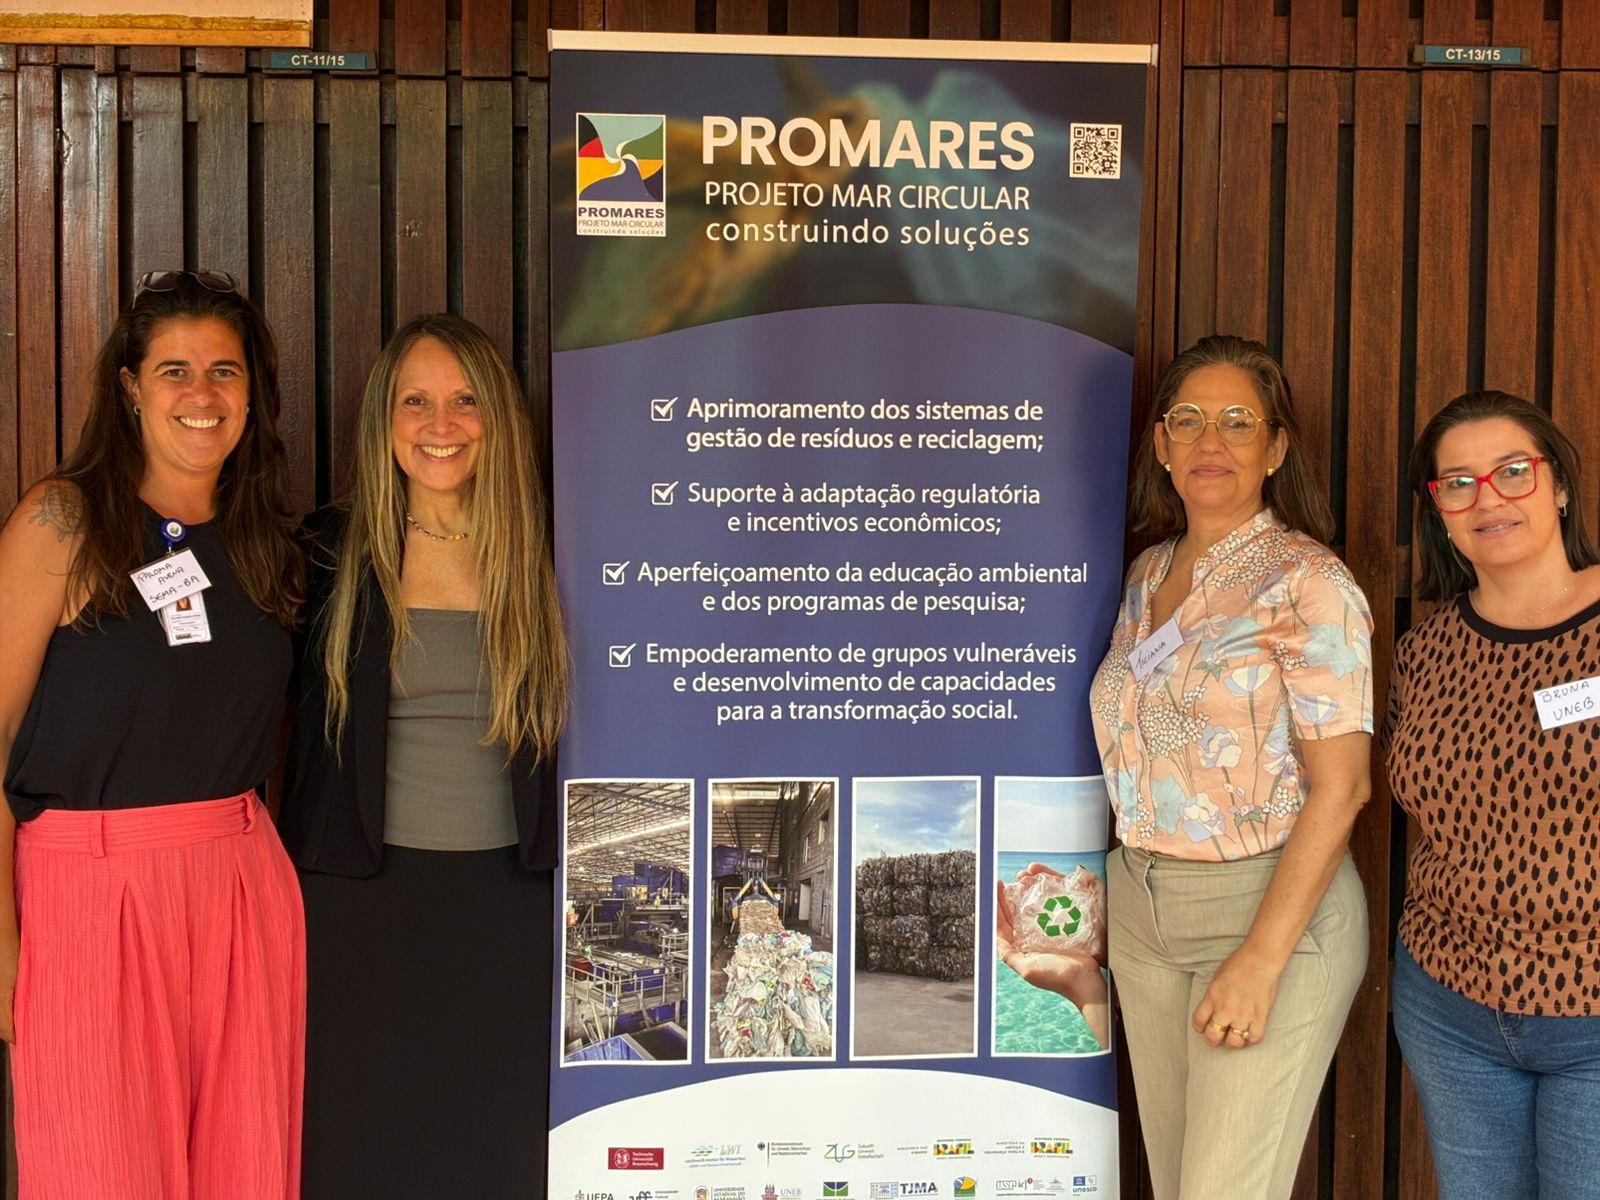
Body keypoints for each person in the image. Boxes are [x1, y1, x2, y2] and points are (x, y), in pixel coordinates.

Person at [0, 269, 306, 1197]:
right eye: (175, 370)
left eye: (224, 371)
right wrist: (0, 939)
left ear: (251, 393)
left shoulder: (263, 542)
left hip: (241, 887)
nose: (201, 394)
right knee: (101, 1171)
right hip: (88, 898)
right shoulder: (65, 522)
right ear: (131, 386)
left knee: (246, 1172)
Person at [281, 312, 568, 1199]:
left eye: (464, 400)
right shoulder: (328, 551)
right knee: (362, 1143)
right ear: (384, 417)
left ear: (498, 417)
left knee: (494, 1146)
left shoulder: (549, 548)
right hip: (356, 902)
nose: (440, 424)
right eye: (416, 401)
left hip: (512, 899)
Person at [1089, 334, 1372, 1198]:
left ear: (1276, 448)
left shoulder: (1307, 582)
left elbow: (1344, 788)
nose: (1210, 441)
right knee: (1178, 1182)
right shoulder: (1147, 574)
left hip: (1265, 910)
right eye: (1188, 420)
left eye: (1238, 421)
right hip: (1143, 915)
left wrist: (1261, 957)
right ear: (1162, 445)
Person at [1387, 391, 1600, 1200]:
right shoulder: (1425, 652)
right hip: (1450, 1005)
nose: (1489, 498)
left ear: (1560, 486)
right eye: (1459, 483)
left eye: (1514, 471)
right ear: (1439, 512)